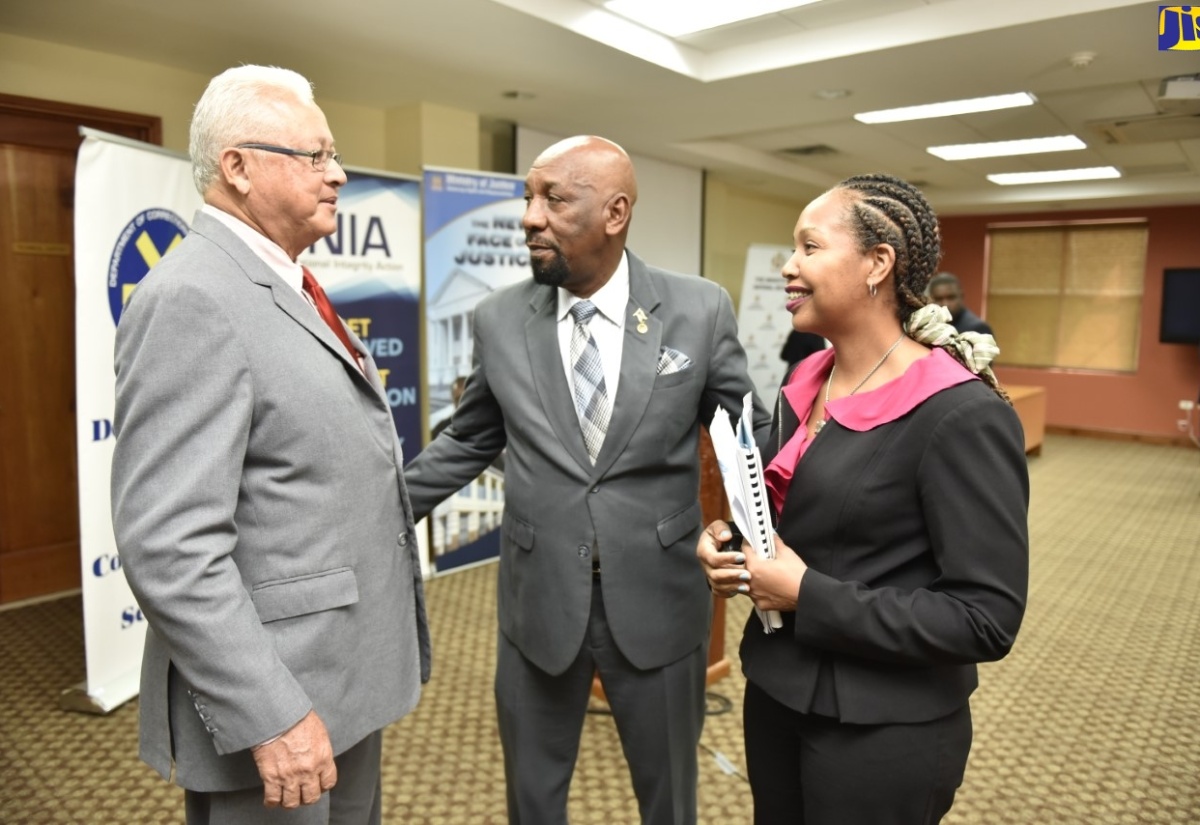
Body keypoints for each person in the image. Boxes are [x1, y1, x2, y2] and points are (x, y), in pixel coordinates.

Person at [404, 135, 769, 825]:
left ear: (615, 212)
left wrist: (757, 533)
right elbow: (472, 438)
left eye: (554, 199)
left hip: (660, 605)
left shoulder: (698, 309)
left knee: (669, 799)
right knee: (533, 800)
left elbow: (747, 437)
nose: (530, 217)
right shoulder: (500, 317)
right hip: (537, 606)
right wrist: (380, 507)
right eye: (528, 197)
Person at [111, 65, 430, 825]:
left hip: (341, 684)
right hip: (277, 710)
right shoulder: (192, 297)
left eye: (334, 155)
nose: (339, 173)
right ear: (238, 167)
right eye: (315, 155)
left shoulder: (285, 284)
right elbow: (170, 545)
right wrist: (272, 713)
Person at [697, 174, 1028, 825]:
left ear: (878, 264)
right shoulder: (805, 378)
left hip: (884, 725)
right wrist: (729, 543)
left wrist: (806, 593)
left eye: (810, 247)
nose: (789, 266)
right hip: (777, 690)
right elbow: (801, 517)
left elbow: (986, 618)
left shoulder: (960, 412)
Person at [928, 271, 994, 336]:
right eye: (938, 299)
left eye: (951, 298)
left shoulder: (978, 329)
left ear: (961, 296)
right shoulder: (927, 326)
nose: (945, 304)